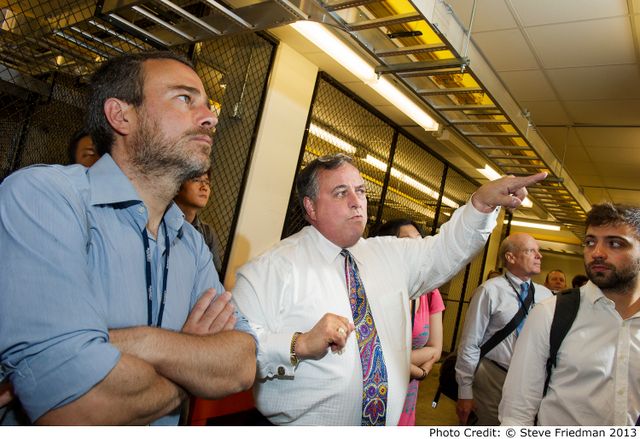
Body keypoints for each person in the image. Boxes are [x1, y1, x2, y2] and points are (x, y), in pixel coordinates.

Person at [0, 51, 256, 425]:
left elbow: (241, 363)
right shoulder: (45, 197)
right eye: (185, 99)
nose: (210, 117)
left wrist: (133, 343)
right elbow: (80, 407)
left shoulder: (192, 243)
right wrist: (191, 365)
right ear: (121, 116)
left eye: (207, 104)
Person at [232, 153, 546, 425]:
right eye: (341, 193)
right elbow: (235, 351)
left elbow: (443, 251)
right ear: (311, 207)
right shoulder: (269, 271)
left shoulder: (387, 255)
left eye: (360, 191)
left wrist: (480, 204)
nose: (356, 202)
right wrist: (296, 344)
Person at [499, 203, 640, 426]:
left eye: (615, 243)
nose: (597, 253)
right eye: (590, 242)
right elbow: (517, 412)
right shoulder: (550, 313)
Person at [455, 232, 553, 426]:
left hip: (531, 381)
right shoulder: (490, 291)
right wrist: (464, 391)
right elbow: (470, 342)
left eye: (538, 251)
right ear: (510, 257)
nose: (539, 256)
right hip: (493, 376)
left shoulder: (546, 295)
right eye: (530, 251)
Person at [372, 218, 444, 426]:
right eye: (406, 241)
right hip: (373, 392)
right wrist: (418, 369)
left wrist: (400, 362)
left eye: (419, 241)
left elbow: (436, 350)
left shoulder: (429, 292)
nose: (416, 248)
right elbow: (371, 355)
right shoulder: (374, 288)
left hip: (408, 396)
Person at [174, 169, 223, 275]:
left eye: (207, 182)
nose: (204, 187)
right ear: (177, 186)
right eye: (196, 180)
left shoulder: (207, 233)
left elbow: (213, 275)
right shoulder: (159, 220)